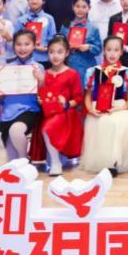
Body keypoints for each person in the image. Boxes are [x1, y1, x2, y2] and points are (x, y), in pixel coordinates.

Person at [80, 36, 128, 175]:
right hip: (97, 107)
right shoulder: (92, 71)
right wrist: (91, 109)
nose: (112, 53)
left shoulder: (127, 72)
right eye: (109, 49)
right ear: (104, 51)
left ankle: (114, 163)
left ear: (121, 52)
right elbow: (87, 96)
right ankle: (102, 162)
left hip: (119, 107)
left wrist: (119, 108)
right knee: (102, 122)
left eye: (116, 50)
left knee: (118, 122)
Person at [39, 35, 85, 176]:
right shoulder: (45, 74)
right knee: (46, 126)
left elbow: (78, 98)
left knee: (47, 128)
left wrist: (66, 103)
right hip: (48, 112)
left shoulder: (72, 74)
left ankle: (55, 162)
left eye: (60, 52)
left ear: (67, 53)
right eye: (51, 52)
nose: (55, 56)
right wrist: (40, 100)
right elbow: (41, 94)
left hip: (66, 113)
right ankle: (55, 160)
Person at [0, 29, 45, 162]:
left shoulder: (38, 68)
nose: (22, 48)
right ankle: (21, 163)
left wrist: (41, 80)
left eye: (27, 44)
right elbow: (1, 98)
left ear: (34, 45)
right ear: (13, 46)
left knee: (16, 131)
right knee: (12, 160)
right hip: (7, 112)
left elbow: (45, 94)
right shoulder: (6, 68)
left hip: (29, 110)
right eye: (18, 44)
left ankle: (25, 160)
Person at [62, 0, 102, 85]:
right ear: (73, 7)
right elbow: (59, 45)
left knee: (85, 89)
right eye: (77, 6)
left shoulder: (93, 27)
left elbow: (99, 49)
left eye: (84, 7)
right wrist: (66, 46)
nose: (80, 10)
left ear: (89, 8)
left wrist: (89, 47)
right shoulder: (66, 26)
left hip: (87, 65)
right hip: (69, 64)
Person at [20, 0, 57, 66]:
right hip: (25, 59)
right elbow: (16, 40)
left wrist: (46, 48)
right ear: (27, 0)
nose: (34, 1)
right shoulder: (21, 20)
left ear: (43, 1)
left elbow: (53, 39)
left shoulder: (49, 18)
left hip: (44, 58)